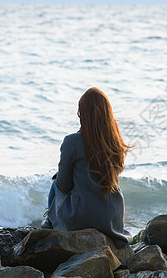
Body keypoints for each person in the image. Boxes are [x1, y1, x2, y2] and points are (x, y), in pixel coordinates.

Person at [42, 87, 132, 248]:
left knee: (56, 182)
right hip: (113, 219)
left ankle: (49, 222)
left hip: (82, 219)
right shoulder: (115, 142)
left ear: (82, 115)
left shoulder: (72, 142)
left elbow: (64, 185)